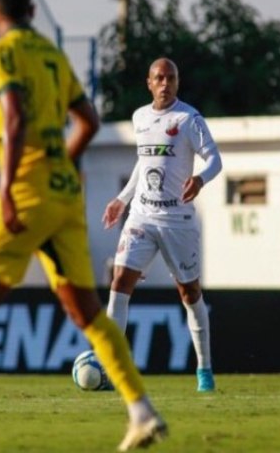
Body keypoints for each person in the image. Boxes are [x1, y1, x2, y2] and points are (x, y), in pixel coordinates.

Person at [0, 0, 167, 452]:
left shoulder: (0, 53)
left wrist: (7, 188)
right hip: (65, 192)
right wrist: (60, 164)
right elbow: (88, 121)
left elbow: (13, 118)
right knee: (85, 308)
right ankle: (142, 413)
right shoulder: (52, 55)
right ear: (30, 9)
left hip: (25, 189)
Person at [102, 58, 222, 393]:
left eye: (171, 78)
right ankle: (112, 367)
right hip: (141, 215)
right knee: (120, 280)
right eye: (159, 78)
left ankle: (204, 370)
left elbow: (215, 159)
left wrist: (200, 178)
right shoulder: (140, 117)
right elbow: (144, 161)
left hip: (177, 219)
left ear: (177, 82)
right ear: (149, 83)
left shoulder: (188, 118)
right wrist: (121, 200)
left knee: (190, 292)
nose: (165, 83)